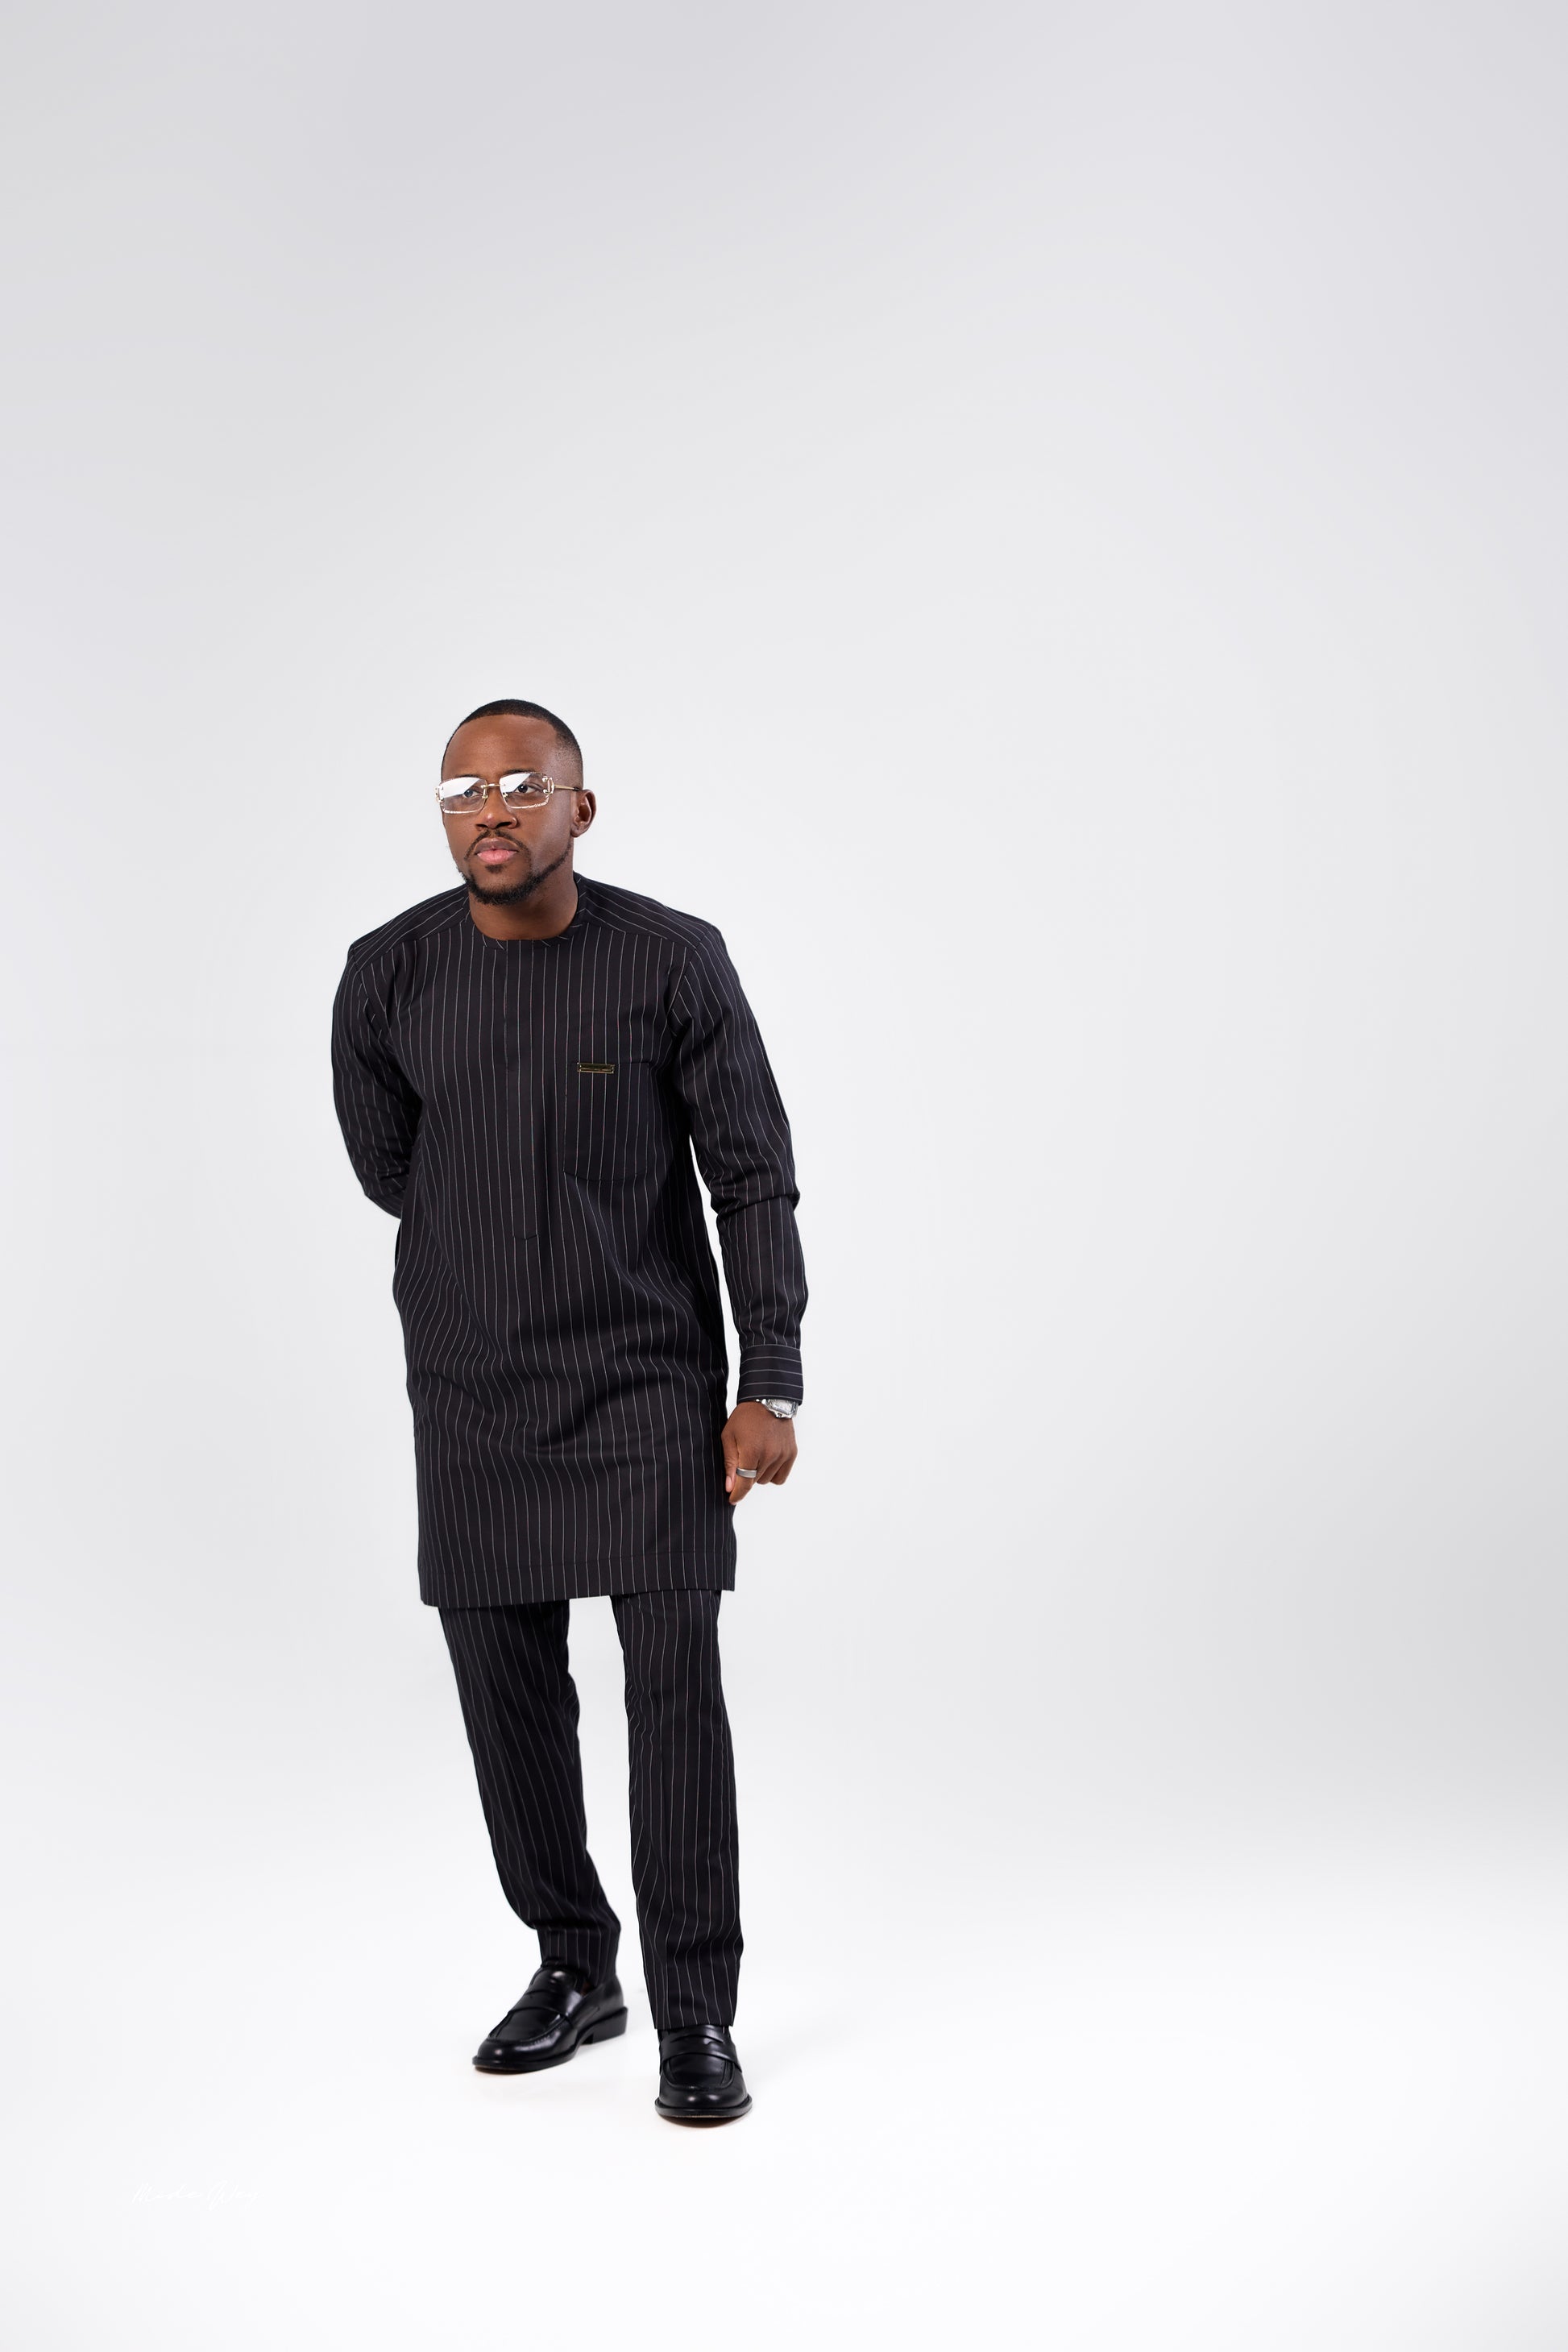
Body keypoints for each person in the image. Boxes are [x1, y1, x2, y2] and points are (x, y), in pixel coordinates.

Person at [331, 698, 806, 2126]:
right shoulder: (387, 973)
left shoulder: (669, 961)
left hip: (648, 1388)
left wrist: (767, 1378)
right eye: (463, 791)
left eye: (522, 788)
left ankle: (694, 2014)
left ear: (578, 812)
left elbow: (749, 1176)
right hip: (471, 1393)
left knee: (674, 1700)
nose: (491, 811)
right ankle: (571, 1963)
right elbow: (393, 1168)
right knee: (508, 1700)